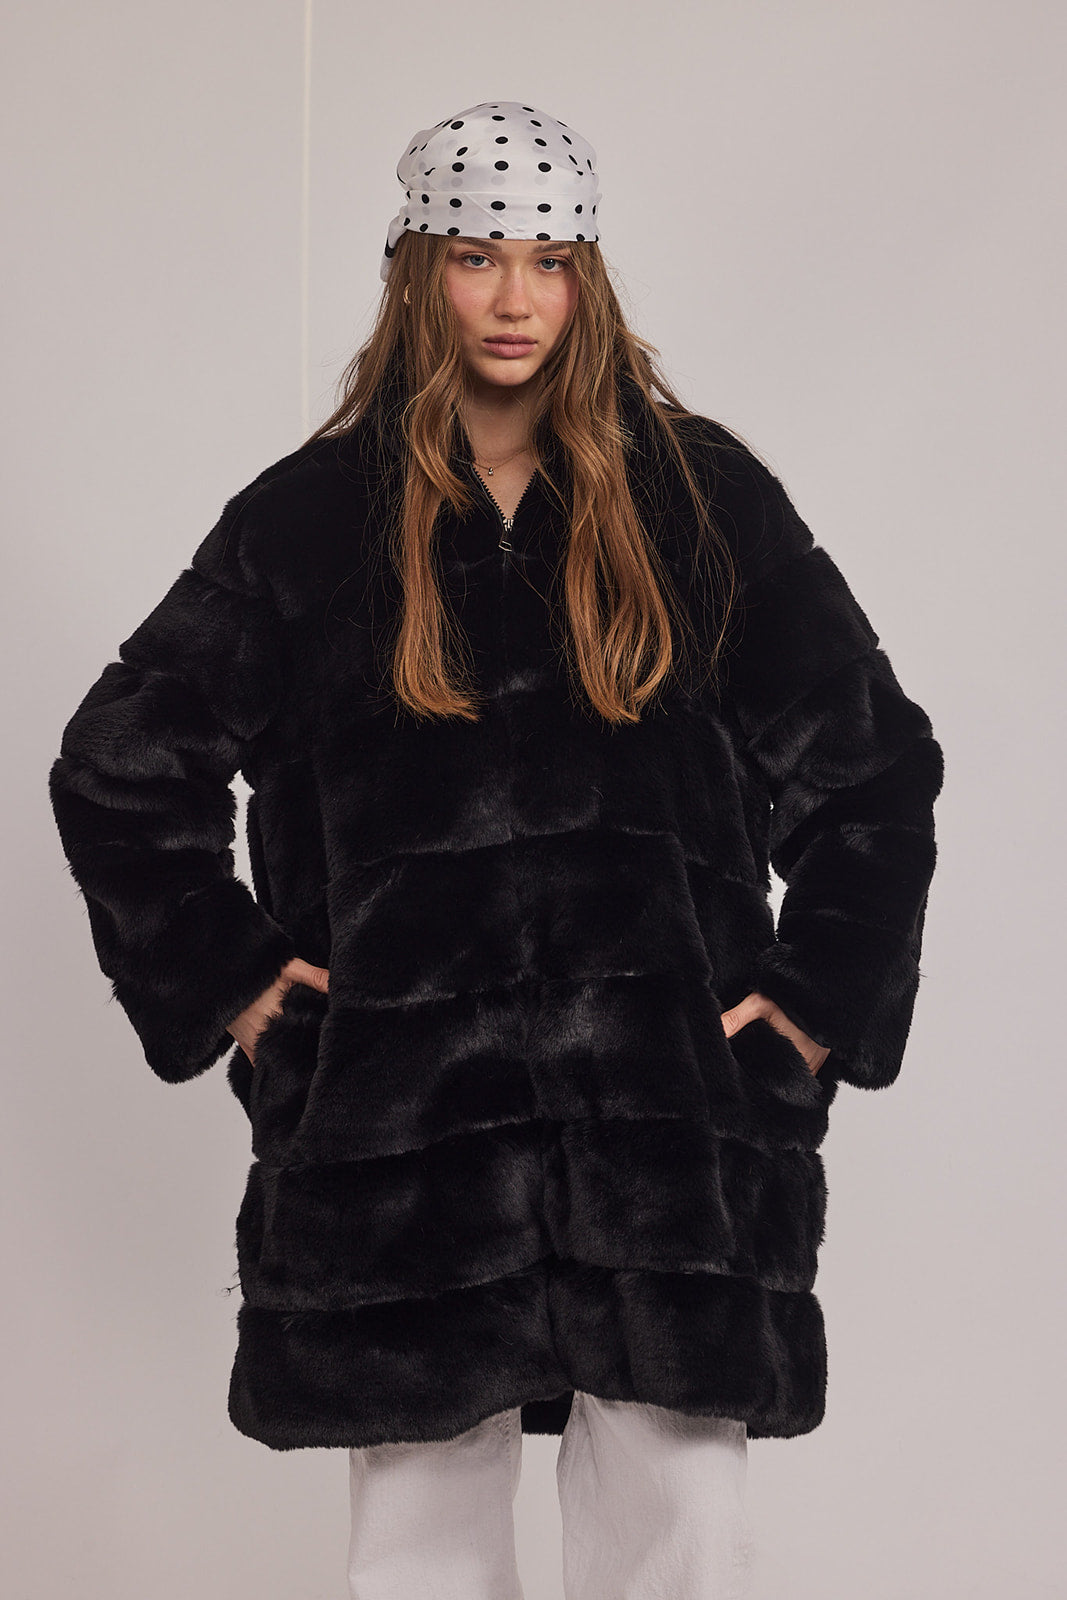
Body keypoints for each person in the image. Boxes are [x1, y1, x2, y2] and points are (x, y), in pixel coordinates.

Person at [48, 100, 944, 1600]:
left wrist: (806, 1012)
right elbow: (120, 767)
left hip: (666, 1128)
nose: (516, 298)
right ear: (420, 271)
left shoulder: (699, 502)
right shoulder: (314, 520)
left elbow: (875, 774)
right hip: (406, 1134)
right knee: (420, 1555)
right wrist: (241, 989)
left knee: (683, 1536)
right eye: (477, 258)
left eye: (550, 261)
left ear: (589, 277)